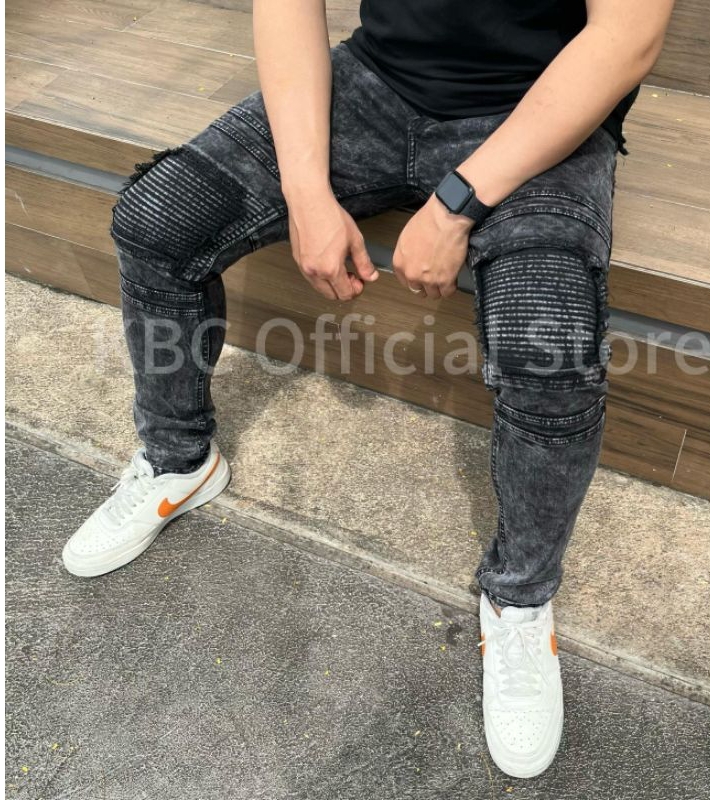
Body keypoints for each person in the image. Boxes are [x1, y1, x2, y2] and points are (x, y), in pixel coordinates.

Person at [61, 0, 674, 778]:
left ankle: (519, 598)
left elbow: (627, 37)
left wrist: (456, 203)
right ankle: (179, 459)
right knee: (158, 217)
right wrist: (306, 193)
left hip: (540, 109)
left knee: (545, 342)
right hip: (378, 82)